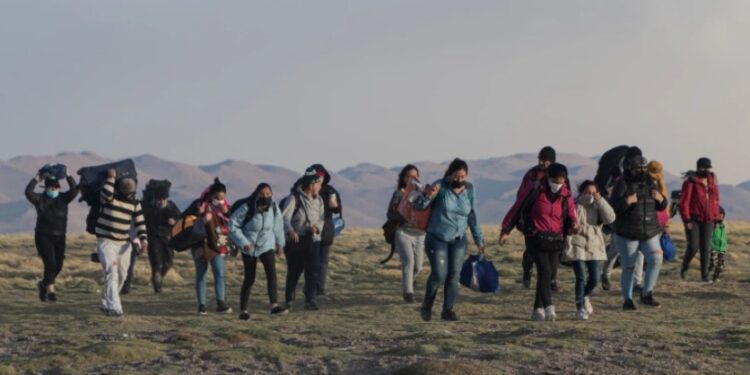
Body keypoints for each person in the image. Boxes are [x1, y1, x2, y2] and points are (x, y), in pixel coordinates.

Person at [500, 163, 577, 321]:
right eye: (554, 180)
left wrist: (574, 225)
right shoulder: (534, 189)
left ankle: (537, 309)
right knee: (544, 270)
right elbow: (517, 207)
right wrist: (506, 229)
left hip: (555, 239)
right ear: (548, 178)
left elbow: (571, 215)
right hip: (535, 236)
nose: (557, 184)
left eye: (560, 181)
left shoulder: (566, 195)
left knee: (548, 273)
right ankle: (549, 306)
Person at [414, 158, 485, 322]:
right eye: (456, 177)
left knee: (454, 275)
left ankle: (448, 310)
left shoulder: (469, 189)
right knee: (440, 274)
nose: (459, 180)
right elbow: (419, 206)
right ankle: (427, 305)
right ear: (450, 175)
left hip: (459, 238)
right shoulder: (440, 186)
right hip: (437, 237)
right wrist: (427, 195)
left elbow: (473, 215)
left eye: (463, 177)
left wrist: (479, 239)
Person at [610, 156, 667, 311]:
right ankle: (627, 300)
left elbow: (662, 206)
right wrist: (626, 201)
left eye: (643, 168)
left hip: (650, 231)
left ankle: (647, 294)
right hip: (627, 233)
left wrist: (661, 199)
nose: (641, 171)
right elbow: (612, 207)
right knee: (629, 266)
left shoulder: (651, 182)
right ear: (629, 169)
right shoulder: (621, 183)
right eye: (637, 168)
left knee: (656, 259)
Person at [502, 146, 560, 290]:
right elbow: (521, 197)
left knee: (554, 253)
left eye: (545, 161)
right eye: (541, 160)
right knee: (531, 251)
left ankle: (552, 281)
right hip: (532, 221)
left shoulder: (559, 174)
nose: (542, 163)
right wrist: (514, 222)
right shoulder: (532, 175)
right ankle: (527, 274)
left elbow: (566, 199)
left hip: (554, 222)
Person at [229, 183, 288, 320]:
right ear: (256, 194)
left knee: (271, 274)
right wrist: (244, 242)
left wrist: (280, 244)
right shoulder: (247, 207)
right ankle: (243, 311)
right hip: (249, 245)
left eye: (268, 194)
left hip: (267, 244)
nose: (265, 196)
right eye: (262, 194)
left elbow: (278, 225)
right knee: (250, 278)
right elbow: (232, 225)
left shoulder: (274, 207)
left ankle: (274, 306)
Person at [94, 169, 148, 316]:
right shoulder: (109, 198)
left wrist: (144, 240)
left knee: (122, 275)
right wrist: (110, 177)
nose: (128, 186)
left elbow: (140, 223)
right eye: (125, 184)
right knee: (111, 272)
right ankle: (115, 308)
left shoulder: (135, 204)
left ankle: (107, 301)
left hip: (124, 244)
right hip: (106, 241)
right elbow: (106, 192)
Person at [562, 180, 615, 320]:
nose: (590, 195)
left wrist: (600, 200)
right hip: (576, 243)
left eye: (593, 192)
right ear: (581, 192)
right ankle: (579, 308)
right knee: (580, 277)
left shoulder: (598, 205)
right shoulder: (574, 203)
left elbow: (610, 218)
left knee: (595, 279)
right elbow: (568, 219)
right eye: (587, 192)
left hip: (594, 245)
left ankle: (585, 295)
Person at [24, 168, 79, 302]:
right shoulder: (40, 199)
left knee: (58, 265)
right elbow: (28, 192)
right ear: (46, 187)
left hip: (60, 237)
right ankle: (51, 293)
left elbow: (75, 190)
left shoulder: (63, 199)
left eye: (56, 187)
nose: (54, 189)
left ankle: (43, 284)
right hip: (43, 236)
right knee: (51, 264)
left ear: (59, 188)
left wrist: (68, 176)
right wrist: (36, 179)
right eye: (51, 187)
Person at [281, 167, 326, 311]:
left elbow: (322, 219)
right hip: (297, 241)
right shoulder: (294, 199)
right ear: (311, 185)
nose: (320, 187)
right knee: (295, 271)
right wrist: (291, 230)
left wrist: (317, 228)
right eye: (318, 184)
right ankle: (289, 298)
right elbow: (284, 218)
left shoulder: (319, 200)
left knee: (313, 270)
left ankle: (310, 300)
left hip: (314, 240)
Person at [186, 178, 233, 315]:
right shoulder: (198, 205)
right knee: (201, 275)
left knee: (219, 273)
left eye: (222, 198)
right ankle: (202, 305)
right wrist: (200, 216)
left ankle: (221, 303)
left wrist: (226, 213)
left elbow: (232, 221)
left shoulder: (226, 207)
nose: (220, 200)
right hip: (200, 244)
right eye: (217, 197)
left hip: (218, 244)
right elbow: (187, 219)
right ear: (211, 195)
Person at [601, 147, 645, 292]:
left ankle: (637, 282)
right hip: (619, 216)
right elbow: (606, 190)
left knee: (639, 250)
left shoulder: (642, 174)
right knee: (615, 250)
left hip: (637, 217)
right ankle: (606, 274)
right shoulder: (617, 173)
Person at [386, 164, 426, 303]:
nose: (412, 179)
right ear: (403, 178)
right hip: (403, 232)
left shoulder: (422, 193)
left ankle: (408, 283)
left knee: (418, 266)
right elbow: (390, 214)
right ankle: (408, 294)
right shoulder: (399, 194)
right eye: (409, 176)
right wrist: (403, 215)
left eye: (415, 176)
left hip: (420, 235)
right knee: (408, 262)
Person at [679, 157, 722, 282]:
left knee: (706, 247)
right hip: (693, 219)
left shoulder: (712, 181)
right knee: (693, 246)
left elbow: (716, 201)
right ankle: (685, 266)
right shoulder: (690, 182)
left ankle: (705, 275)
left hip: (708, 220)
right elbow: (684, 202)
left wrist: (716, 217)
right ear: (699, 168)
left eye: (709, 167)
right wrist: (686, 220)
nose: (707, 170)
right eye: (705, 168)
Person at [142, 182, 181, 293]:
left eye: (163, 199)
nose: (161, 201)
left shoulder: (172, 206)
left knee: (169, 262)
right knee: (156, 263)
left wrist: (174, 221)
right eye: (159, 199)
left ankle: (157, 279)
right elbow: (143, 221)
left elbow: (180, 218)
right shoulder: (149, 207)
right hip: (153, 238)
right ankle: (157, 286)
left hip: (168, 238)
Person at [310, 164, 342, 297]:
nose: (320, 178)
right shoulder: (304, 190)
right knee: (311, 259)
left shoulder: (330, 191)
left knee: (323, 260)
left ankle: (320, 288)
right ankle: (310, 286)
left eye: (322, 175)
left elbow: (337, 210)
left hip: (326, 228)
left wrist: (335, 206)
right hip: (309, 228)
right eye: (317, 175)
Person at [709, 207, 728, 282]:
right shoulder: (712, 224)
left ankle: (715, 278)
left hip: (722, 248)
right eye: (719, 214)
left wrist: (725, 245)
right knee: (713, 263)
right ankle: (706, 276)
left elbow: (724, 237)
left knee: (721, 265)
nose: (721, 216)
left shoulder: (723, 225)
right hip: (713, 247)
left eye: (722, 215)